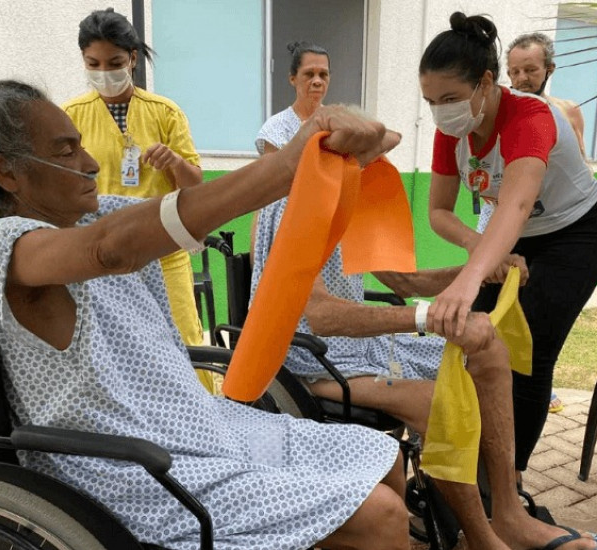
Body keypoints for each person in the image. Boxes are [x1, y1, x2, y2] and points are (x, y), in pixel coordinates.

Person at [0, 80, 409, 550]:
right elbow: (109, 250)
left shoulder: (92, 215)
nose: (90, 163)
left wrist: (355, 147)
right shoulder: (10, 244)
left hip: (200, 426)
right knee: (381, 516)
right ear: (7, 173)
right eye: (66, 152)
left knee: (382, 454)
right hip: (136, 472)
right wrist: (288, 162)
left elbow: (190, 207)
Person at [251, 45, 597, 550]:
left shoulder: (342, 197)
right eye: (363, 157)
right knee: (440, 403)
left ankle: (507, 510)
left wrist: (481, 273)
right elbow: (321, 316)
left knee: (487, 343)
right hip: (310, 357)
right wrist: (423, 318)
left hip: (357, 350)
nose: (373, 166)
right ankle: (479, 535)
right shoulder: (292, 210)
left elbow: (405, 283)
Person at [419, 12, 597, 485]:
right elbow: (438, 212)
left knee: (527, 354)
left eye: (451, 99)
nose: (441, 112)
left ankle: (506, 484)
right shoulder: (452, 132)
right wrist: (487, 252)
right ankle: (468, 469)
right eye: (431, 102)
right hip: (512, 234)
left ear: (486, 83)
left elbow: (517, 203)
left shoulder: (532, 116)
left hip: (576, 232)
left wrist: (470, 276)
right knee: (474, 342)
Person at [61, 9, 207, 374]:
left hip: (164, 251)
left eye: (114, 62)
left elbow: (195, 186)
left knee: (185, 346)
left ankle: (204, 418)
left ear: (133, 59)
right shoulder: (70, 116)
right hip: (98, 254)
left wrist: (173, 161)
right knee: (113, 353)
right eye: (93, 63)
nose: (104, 73)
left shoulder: (164, 113)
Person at [485, 31, 587, 415]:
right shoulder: (504, 116)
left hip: (560, 224)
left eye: (530, 69)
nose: (522, 78)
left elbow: (574, 163)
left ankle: (536, 388)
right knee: (496, 316)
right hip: (510, 222)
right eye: (514, 71)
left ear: (549, 69)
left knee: (539, 326)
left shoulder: (566, 111)